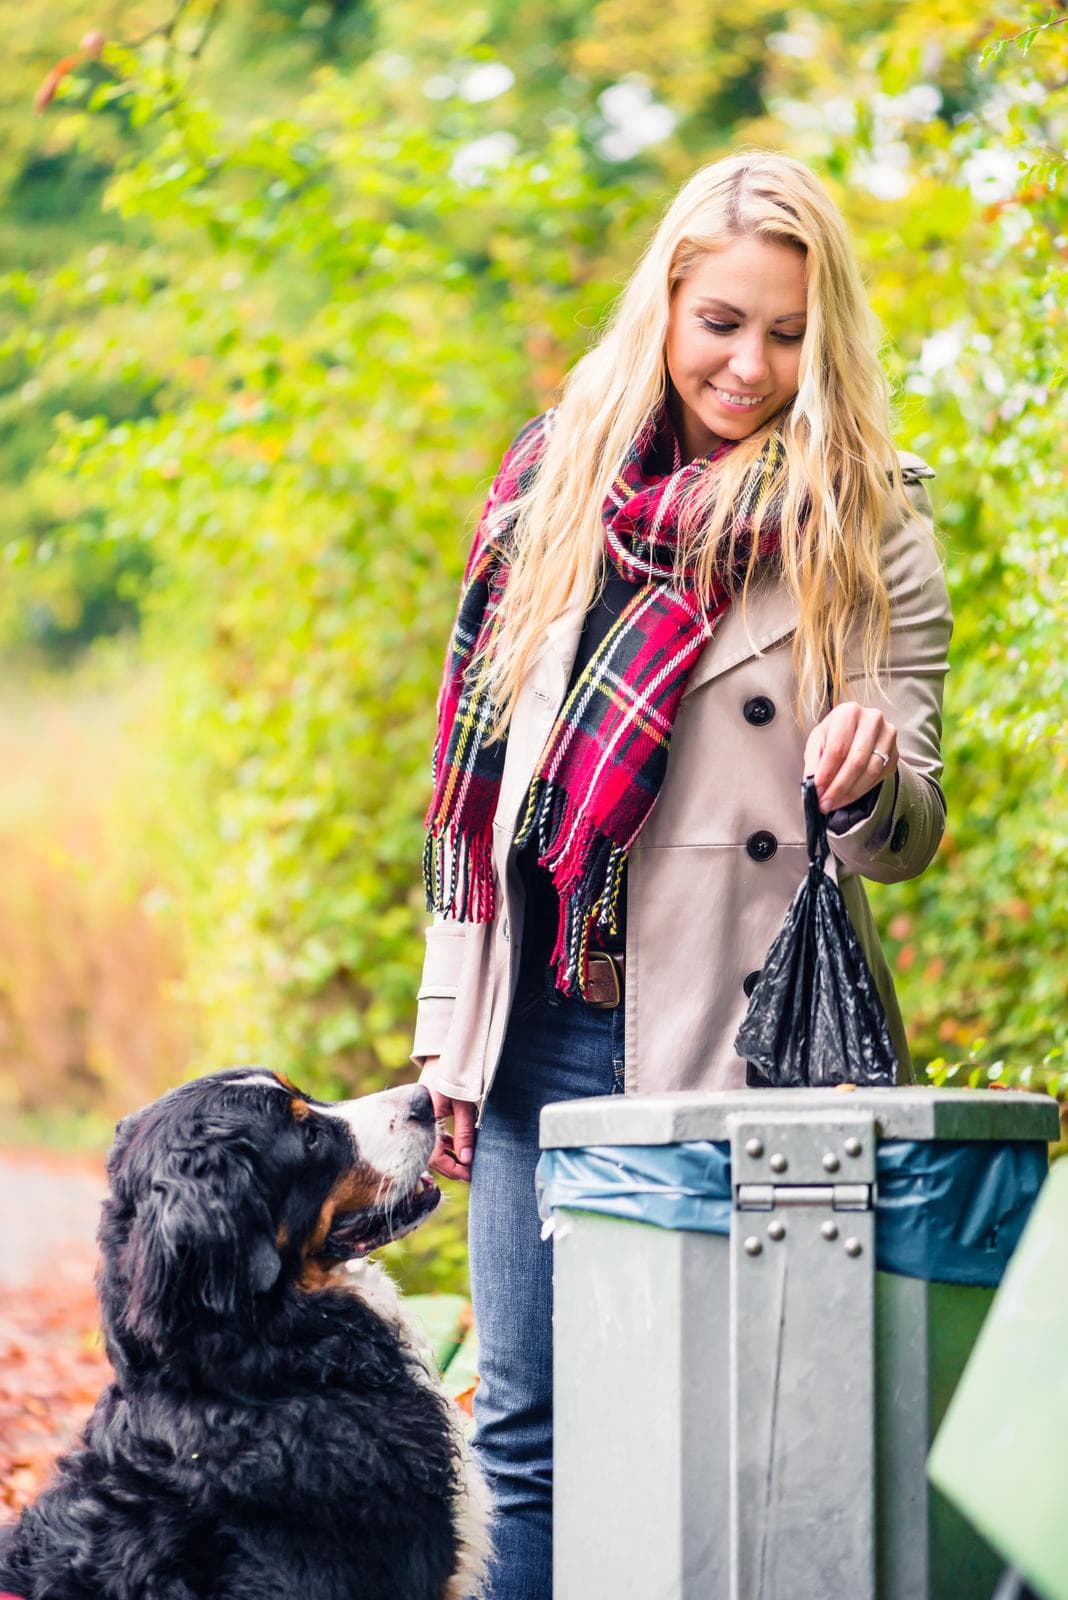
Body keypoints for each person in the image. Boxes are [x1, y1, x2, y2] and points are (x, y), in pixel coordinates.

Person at [410, 149, 953, 1599]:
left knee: (723, 1443)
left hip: (733, 1045)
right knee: (527, 1435)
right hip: (539, 1027)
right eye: (721, 321)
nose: (750, 364)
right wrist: (446, 1034)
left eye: (786, 332)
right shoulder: (553, 485)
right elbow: (480, 798)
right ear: (665, 300)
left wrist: (867, 776)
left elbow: (912, 831)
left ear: (822, 334)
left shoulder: (869, 520)